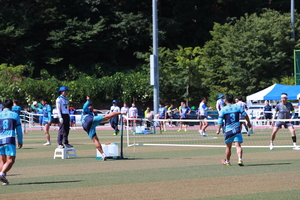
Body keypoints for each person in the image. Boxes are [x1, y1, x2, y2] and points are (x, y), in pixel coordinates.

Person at [81, 96, 121, 161]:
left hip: (87, 126)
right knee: (107, 117)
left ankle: (103, 154)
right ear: (90, 106)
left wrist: (96, 112)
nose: (93, 108)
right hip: (88, 120)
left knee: (95, 140)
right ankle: (121, 113)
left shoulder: (91, 112)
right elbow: (84, 107)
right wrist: (88, 101)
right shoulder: (86, 109)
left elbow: (94, 112)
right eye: (92, 106)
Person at [216, 94, 251, 166]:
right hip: (237, 129)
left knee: (228, 146)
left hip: (228, 130)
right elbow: (245, 115)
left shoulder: (223, 109)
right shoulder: (237, 107)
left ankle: (228, 161)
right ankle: (240, 160)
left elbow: (220, 121)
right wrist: (249, 122)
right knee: (238, 145)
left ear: (225, 101)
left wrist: (218, 129)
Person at [0, 99, 23, 185]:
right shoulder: (14, 115)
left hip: (0, 139)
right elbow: (19, 129)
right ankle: (1, 174)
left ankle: (4, 180)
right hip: (9, 139)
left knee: (2, 160)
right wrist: (20, 140)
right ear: (11, 106)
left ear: (3, 106)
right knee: (10, 160)